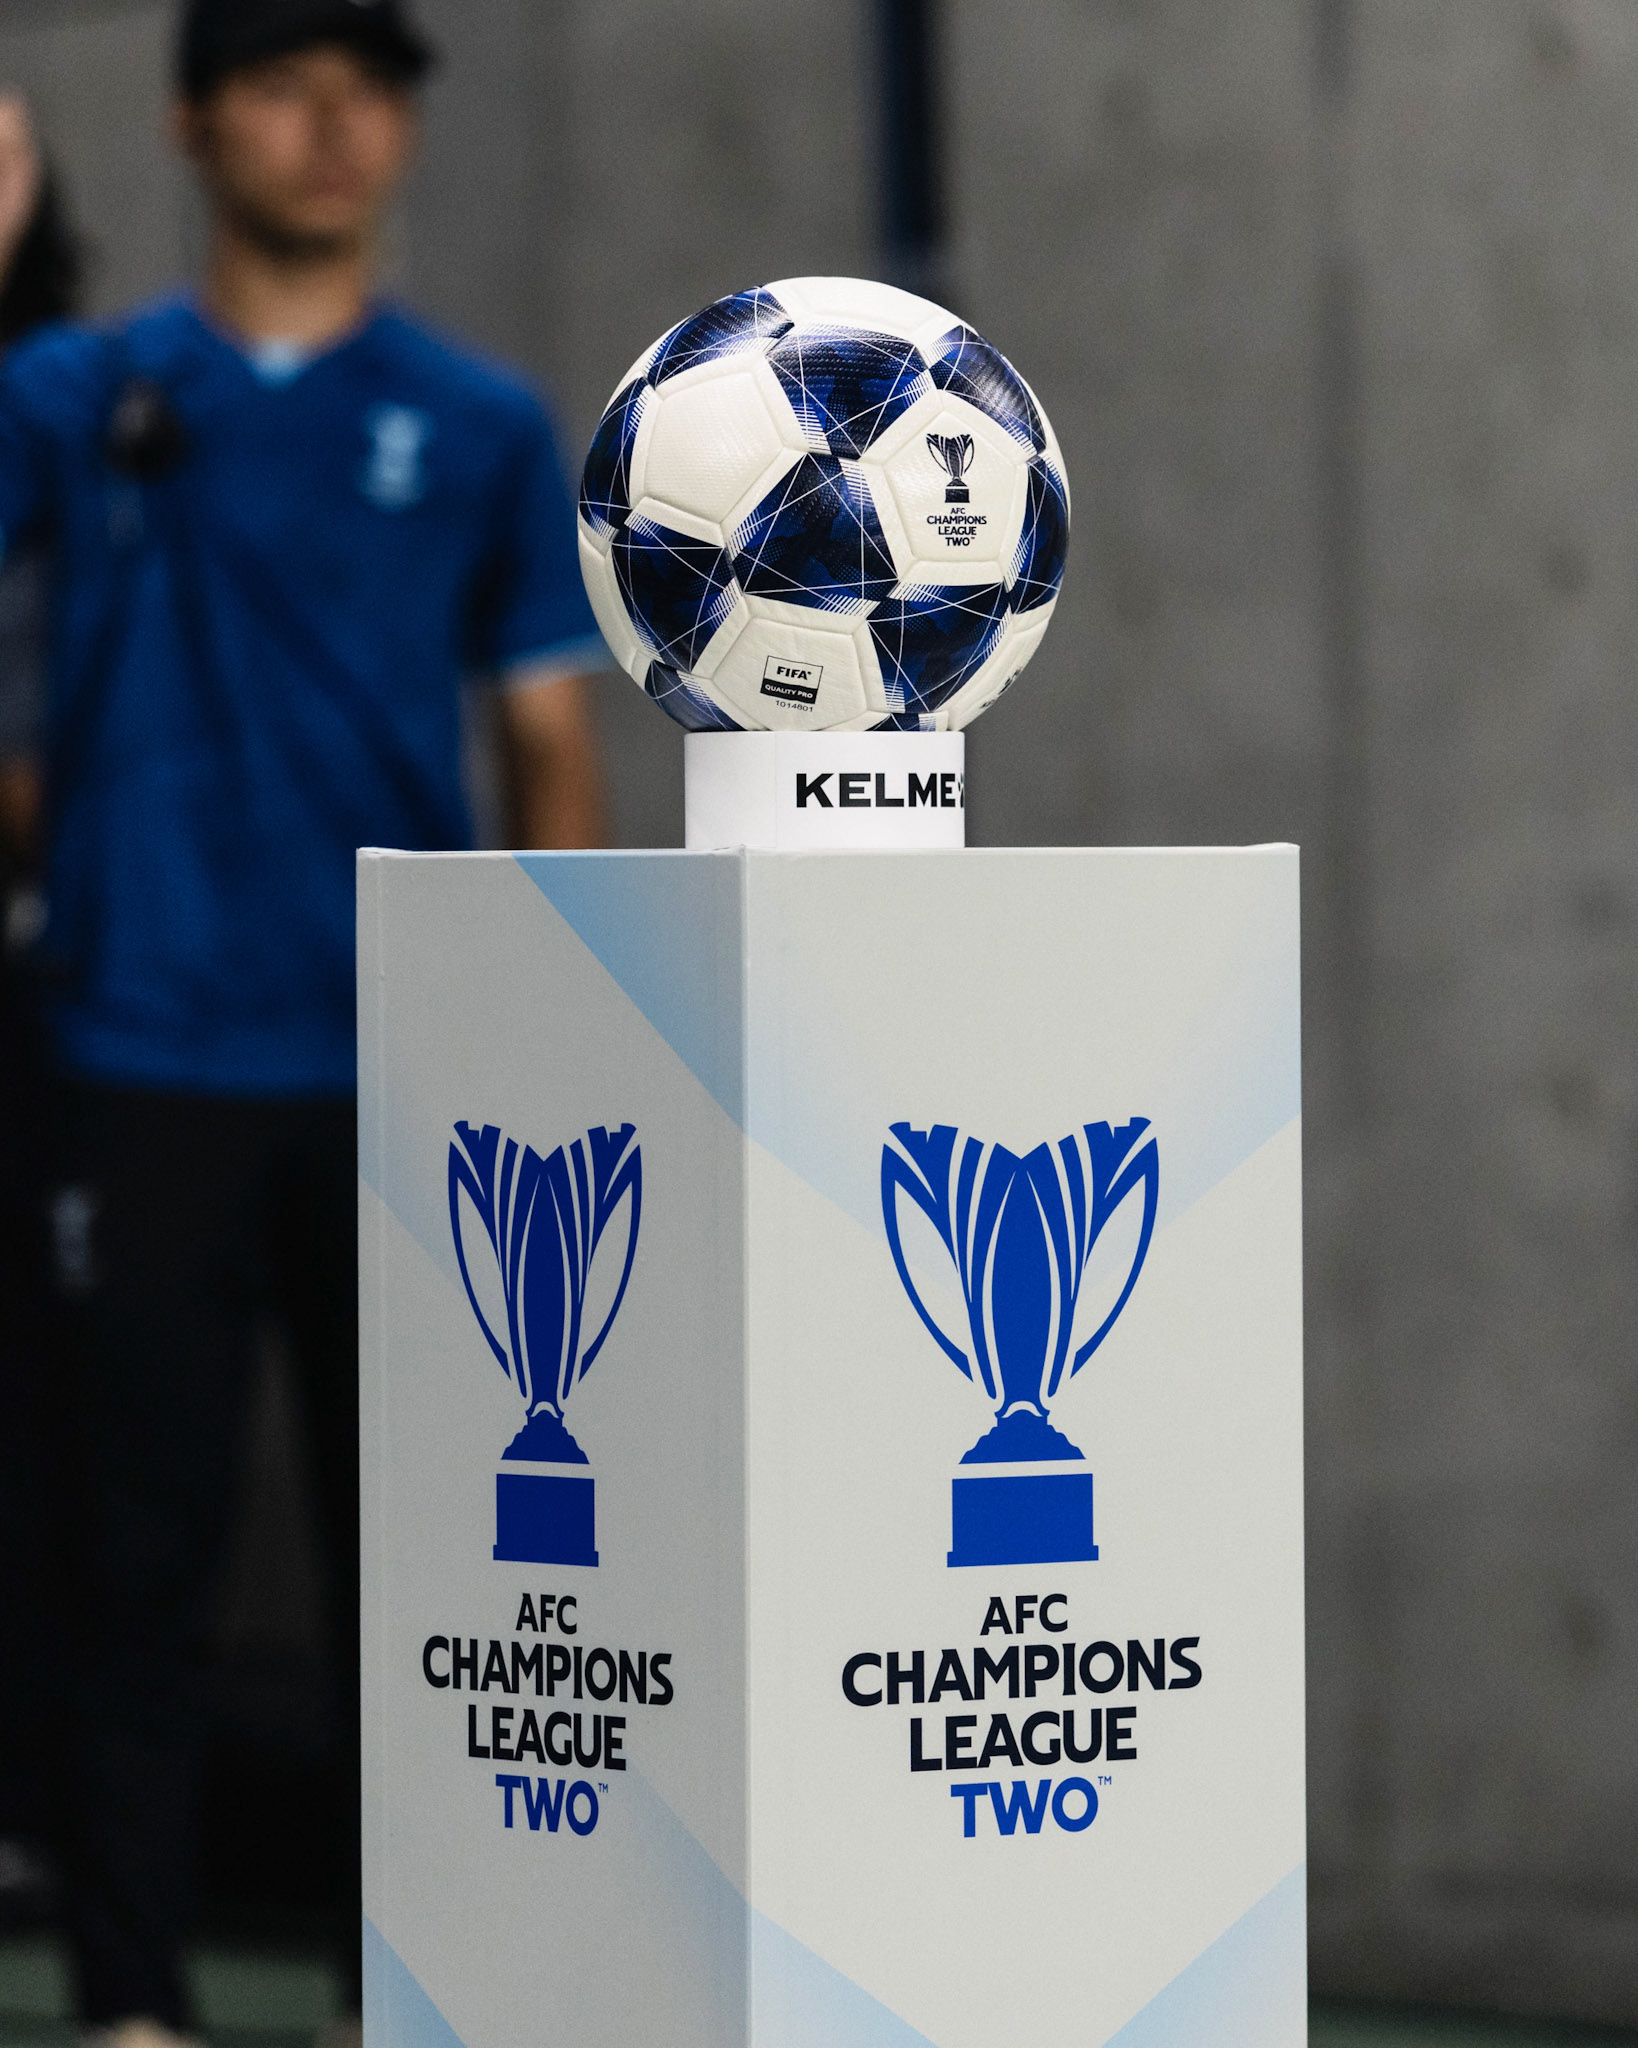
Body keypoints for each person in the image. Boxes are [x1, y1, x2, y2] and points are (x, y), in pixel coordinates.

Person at [0, 3, 608, 2041]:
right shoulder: (73, 394)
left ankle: (406, 1992)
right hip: (139, 1057)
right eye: (281, 76)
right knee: (131, 1577)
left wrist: (544, 1036)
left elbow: (545, 740)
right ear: (188, 122)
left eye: (373, 82)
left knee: (437, 1587)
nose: (334, 120)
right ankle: (134, 2009)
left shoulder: (488, 422)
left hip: (407, 1084)